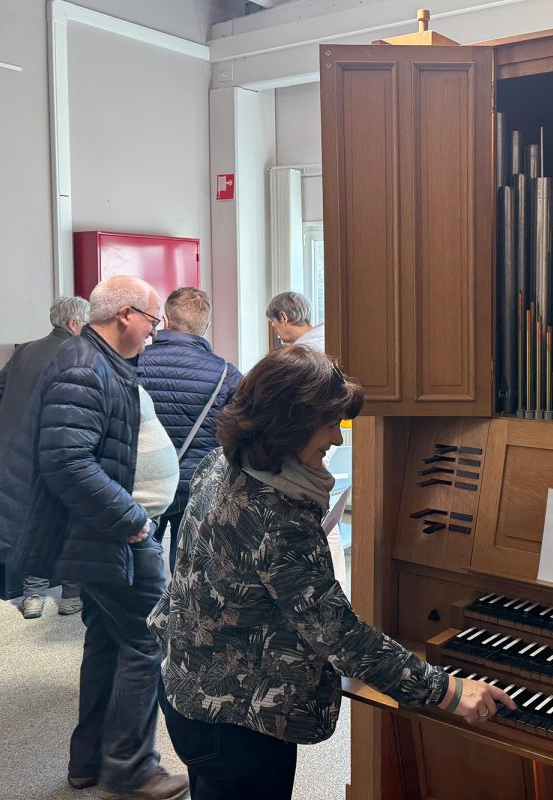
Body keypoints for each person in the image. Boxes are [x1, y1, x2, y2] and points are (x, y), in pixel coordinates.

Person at [149, 346, 512, 799]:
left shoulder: (221, 463)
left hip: (188, 688)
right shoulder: (280, 518)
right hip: (239, 724)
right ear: (290, 425)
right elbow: (341, 636)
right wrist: (448, 692)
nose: (339, 439)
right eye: (330, 423)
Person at [0, 276, 188, 800]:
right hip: (113, 533)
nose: (154, 333)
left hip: (104, 534)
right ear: (125, 315)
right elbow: (67, 463)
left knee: (108, 640)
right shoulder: (84, 365)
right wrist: (133, 520)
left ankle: (90, 760)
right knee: (147, 638)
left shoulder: (95, 360)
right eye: (153, 320)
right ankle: (132, 767)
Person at [0, 295, 90, 619]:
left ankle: (33, 598)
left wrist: (13, 428)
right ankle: (71, 597)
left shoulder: (24, 351)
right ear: (74, 323)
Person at [138, 287, 242, 573]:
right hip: (199, 481)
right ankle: (179, 614)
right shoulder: (226, 373)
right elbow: (240, 431)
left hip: (145, 480)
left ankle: (146, 614)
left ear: (165, 320)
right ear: (205, 327)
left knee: (141, 558)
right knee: (188, 564)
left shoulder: (132, 363)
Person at [265, 291, 347, 591]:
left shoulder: (298, 358)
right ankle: (336, 584)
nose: (276, 331)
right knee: (324, 513)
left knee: (310, 512)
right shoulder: (336, 338)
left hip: (302, 445)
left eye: (274, 324)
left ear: (283, 318)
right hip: (314, 442)